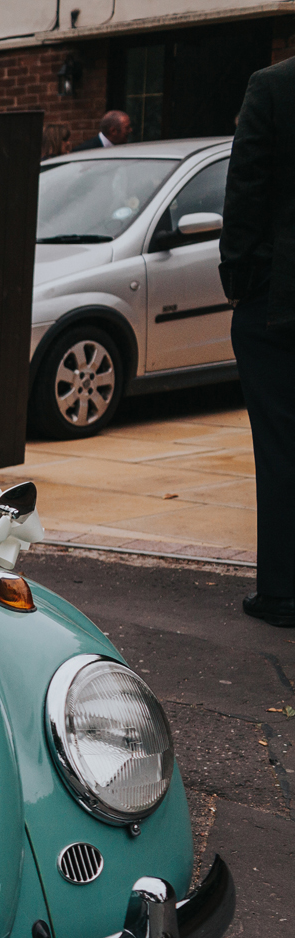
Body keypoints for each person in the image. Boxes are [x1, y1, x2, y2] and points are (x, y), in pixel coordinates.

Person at [222, 56, 295, 625]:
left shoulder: (273, 87)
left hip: (281, 300)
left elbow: (245, 193)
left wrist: (242, 284)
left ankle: (283, 591)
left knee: (280, 449)